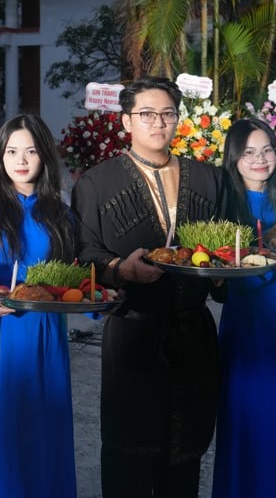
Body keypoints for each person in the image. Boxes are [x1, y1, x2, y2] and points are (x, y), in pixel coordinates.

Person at [71, 76, 223, 498]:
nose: (159, 123)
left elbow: (231, 250)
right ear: (126, 122)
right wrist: (121, 269)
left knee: (185, 459)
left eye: (168, 114)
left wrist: (225, 271)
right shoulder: (96, 184)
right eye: (147, 114)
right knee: (128, 457)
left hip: (193, 336)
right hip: (132, 336)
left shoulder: (209, 179)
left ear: (178, 119)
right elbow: (82, 257)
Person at [0, 113, 77, 498]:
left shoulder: (61, 214)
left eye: (30, 150)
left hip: (46, 340)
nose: (21, 160)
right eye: (11, 151)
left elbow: (73, 280)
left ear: (44, 156)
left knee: (45, 438)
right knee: (0, 443)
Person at [212, 118, 276, 498]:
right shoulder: (223, 206)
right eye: (249, 152)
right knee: (248, 417)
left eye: (267, 150)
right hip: (247, 321)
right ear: (234, 158)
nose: (260, 159)